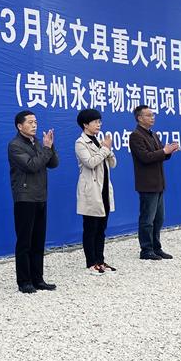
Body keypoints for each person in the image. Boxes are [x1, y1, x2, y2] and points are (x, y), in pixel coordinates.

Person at [8, 110, 59, 293]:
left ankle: (38, 279)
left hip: (40, 196)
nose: (34, 125)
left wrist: (50, 146)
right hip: (25, 197)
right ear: (19, 126)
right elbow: (32, 165)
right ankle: (24, 281)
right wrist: (45, 149)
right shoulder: (15, 145)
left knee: (38, 240)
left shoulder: (37, 142)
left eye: (35, 122)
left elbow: (53, 164)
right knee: (25, 242)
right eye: (30, 122)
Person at [129, 105, 180, 260]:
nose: (152, 118)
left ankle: (156, 247)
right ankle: (146, 249)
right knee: (147, 219)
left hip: (158, 182)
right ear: (139, 118)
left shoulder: (154, 134)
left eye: (153, 115)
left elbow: (160, 155)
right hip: (147, 183)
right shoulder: (136, 136)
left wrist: (169, 151)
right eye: (149, 115)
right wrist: (164, 151)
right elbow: (145, 157)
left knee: (159, 218)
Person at [75, 108, 117, 275]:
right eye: (95, 122)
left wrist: (108, 150)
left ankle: (100, 261)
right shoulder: (80, 143)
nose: (99, 124)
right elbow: (90, 162)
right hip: (91, 191)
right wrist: (105, 149)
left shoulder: (99, 141)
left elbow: (112, 164)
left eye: (100, 121)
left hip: (104, 190)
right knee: (90, 228)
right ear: (85, 124)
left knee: (101, 229)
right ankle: (91, 263)